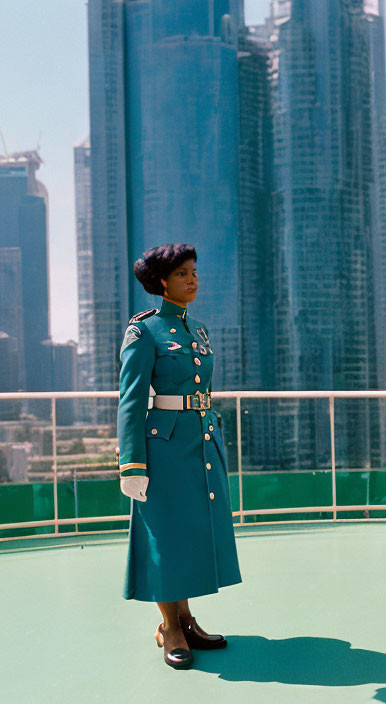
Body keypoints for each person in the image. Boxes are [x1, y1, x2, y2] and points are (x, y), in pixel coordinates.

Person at [116, 243, 241, 670]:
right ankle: (169, 627)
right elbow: (131, 401)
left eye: (194, 272)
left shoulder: (199, 330)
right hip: (164, 446)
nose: (193, 279)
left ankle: (186, 620)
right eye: (183, 273)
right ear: (162, 282)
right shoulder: (143, 332)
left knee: (191, 532)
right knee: (167, 536)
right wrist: (131, 463)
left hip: (201, 441)